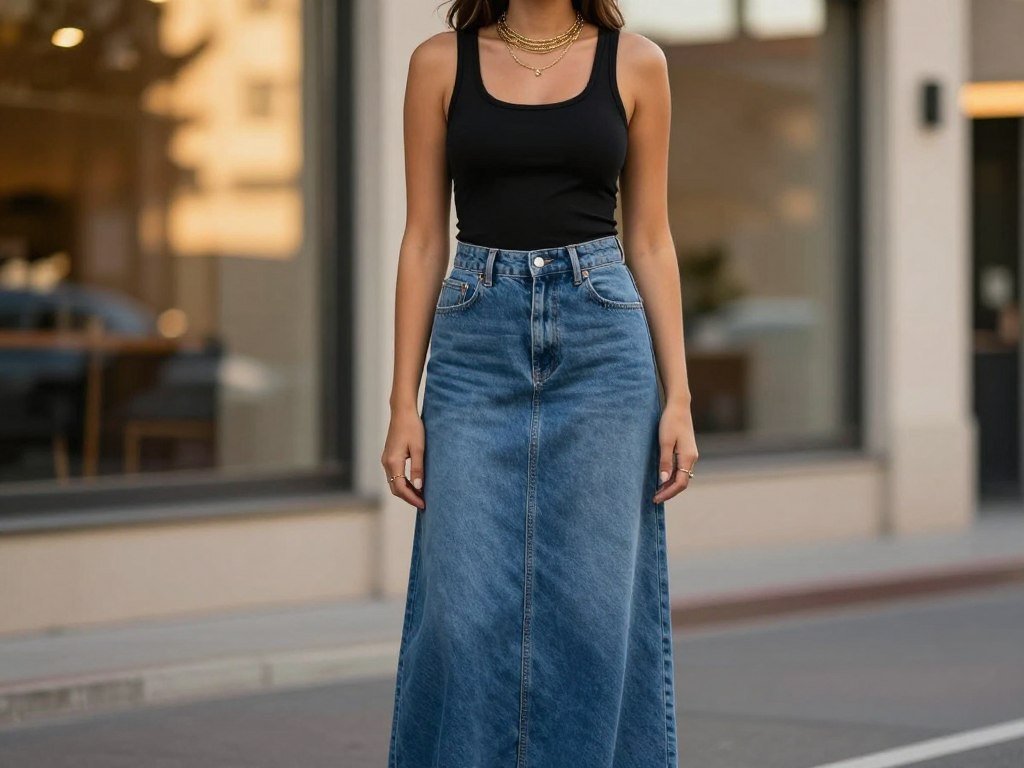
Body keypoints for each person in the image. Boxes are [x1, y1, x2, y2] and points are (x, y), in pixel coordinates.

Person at [382, 1, 697, 765]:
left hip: (602, 339)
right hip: (473, 339)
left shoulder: (636, 62)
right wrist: (402, 402)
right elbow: (423, 237)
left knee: (594, 617)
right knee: (461, 616)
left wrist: (678, 396)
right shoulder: (438, 62)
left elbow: (650, 238)